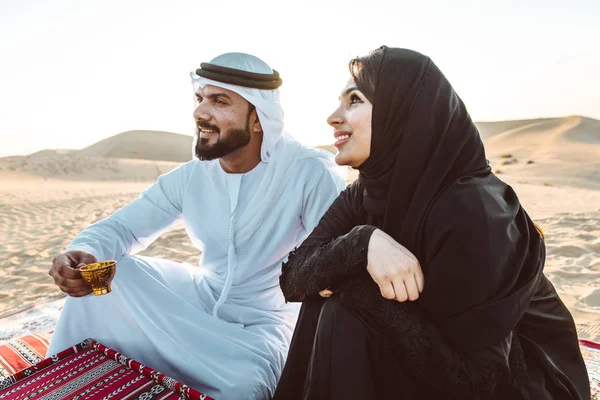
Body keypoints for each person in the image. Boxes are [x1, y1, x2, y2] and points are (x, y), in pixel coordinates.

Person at [274, 46, 590, 399]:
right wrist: (362, 243)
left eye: (355, 100)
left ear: (403, 112)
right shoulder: (366, 193)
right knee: (330, 292)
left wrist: (354, 288)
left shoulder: (474, 209)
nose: (333, 117)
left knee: (342, 304)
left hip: (522, 379)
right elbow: (293, 280)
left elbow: (477, 380)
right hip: (432, 367)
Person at [46, 52, 346, 399]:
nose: (200, 113)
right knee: (107, 274)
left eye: (219, 101)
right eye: (200, 98)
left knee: (244, 387)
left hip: (265, 321)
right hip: (201, 298)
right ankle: (65, 385)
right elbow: (123, 229)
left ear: (258, 119)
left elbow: (334, 258)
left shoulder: (309, 173)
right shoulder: (191, 177)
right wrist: (83, 253)